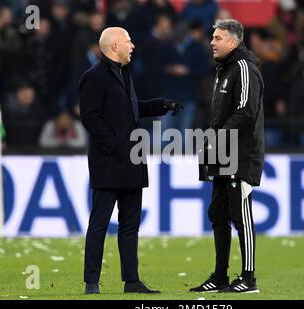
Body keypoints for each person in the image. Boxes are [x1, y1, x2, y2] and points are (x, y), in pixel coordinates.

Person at [79, 27, 182, 294]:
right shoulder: (93, 77)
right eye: (128, 41)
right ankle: (92, 282)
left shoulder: (124, 74)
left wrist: (160, 105)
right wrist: (114, 146)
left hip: (133, 160)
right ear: (114, 46)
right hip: (109, 162)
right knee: (99, 223)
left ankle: (131, 280)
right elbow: (90, 118)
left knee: (130, 225)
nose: (133, 45)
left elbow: (131, 109)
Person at [192, 19, 264, 293]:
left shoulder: (244, 68)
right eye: (212, 37)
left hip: (241, 154)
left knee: (240, 214)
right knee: (217, 213)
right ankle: (220, 276)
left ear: (233, 42)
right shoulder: (224, 70)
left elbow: (246, 111)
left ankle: (249, 278)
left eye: (218, 38)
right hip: (222, 152)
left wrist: (218, 135)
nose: (212, 42)